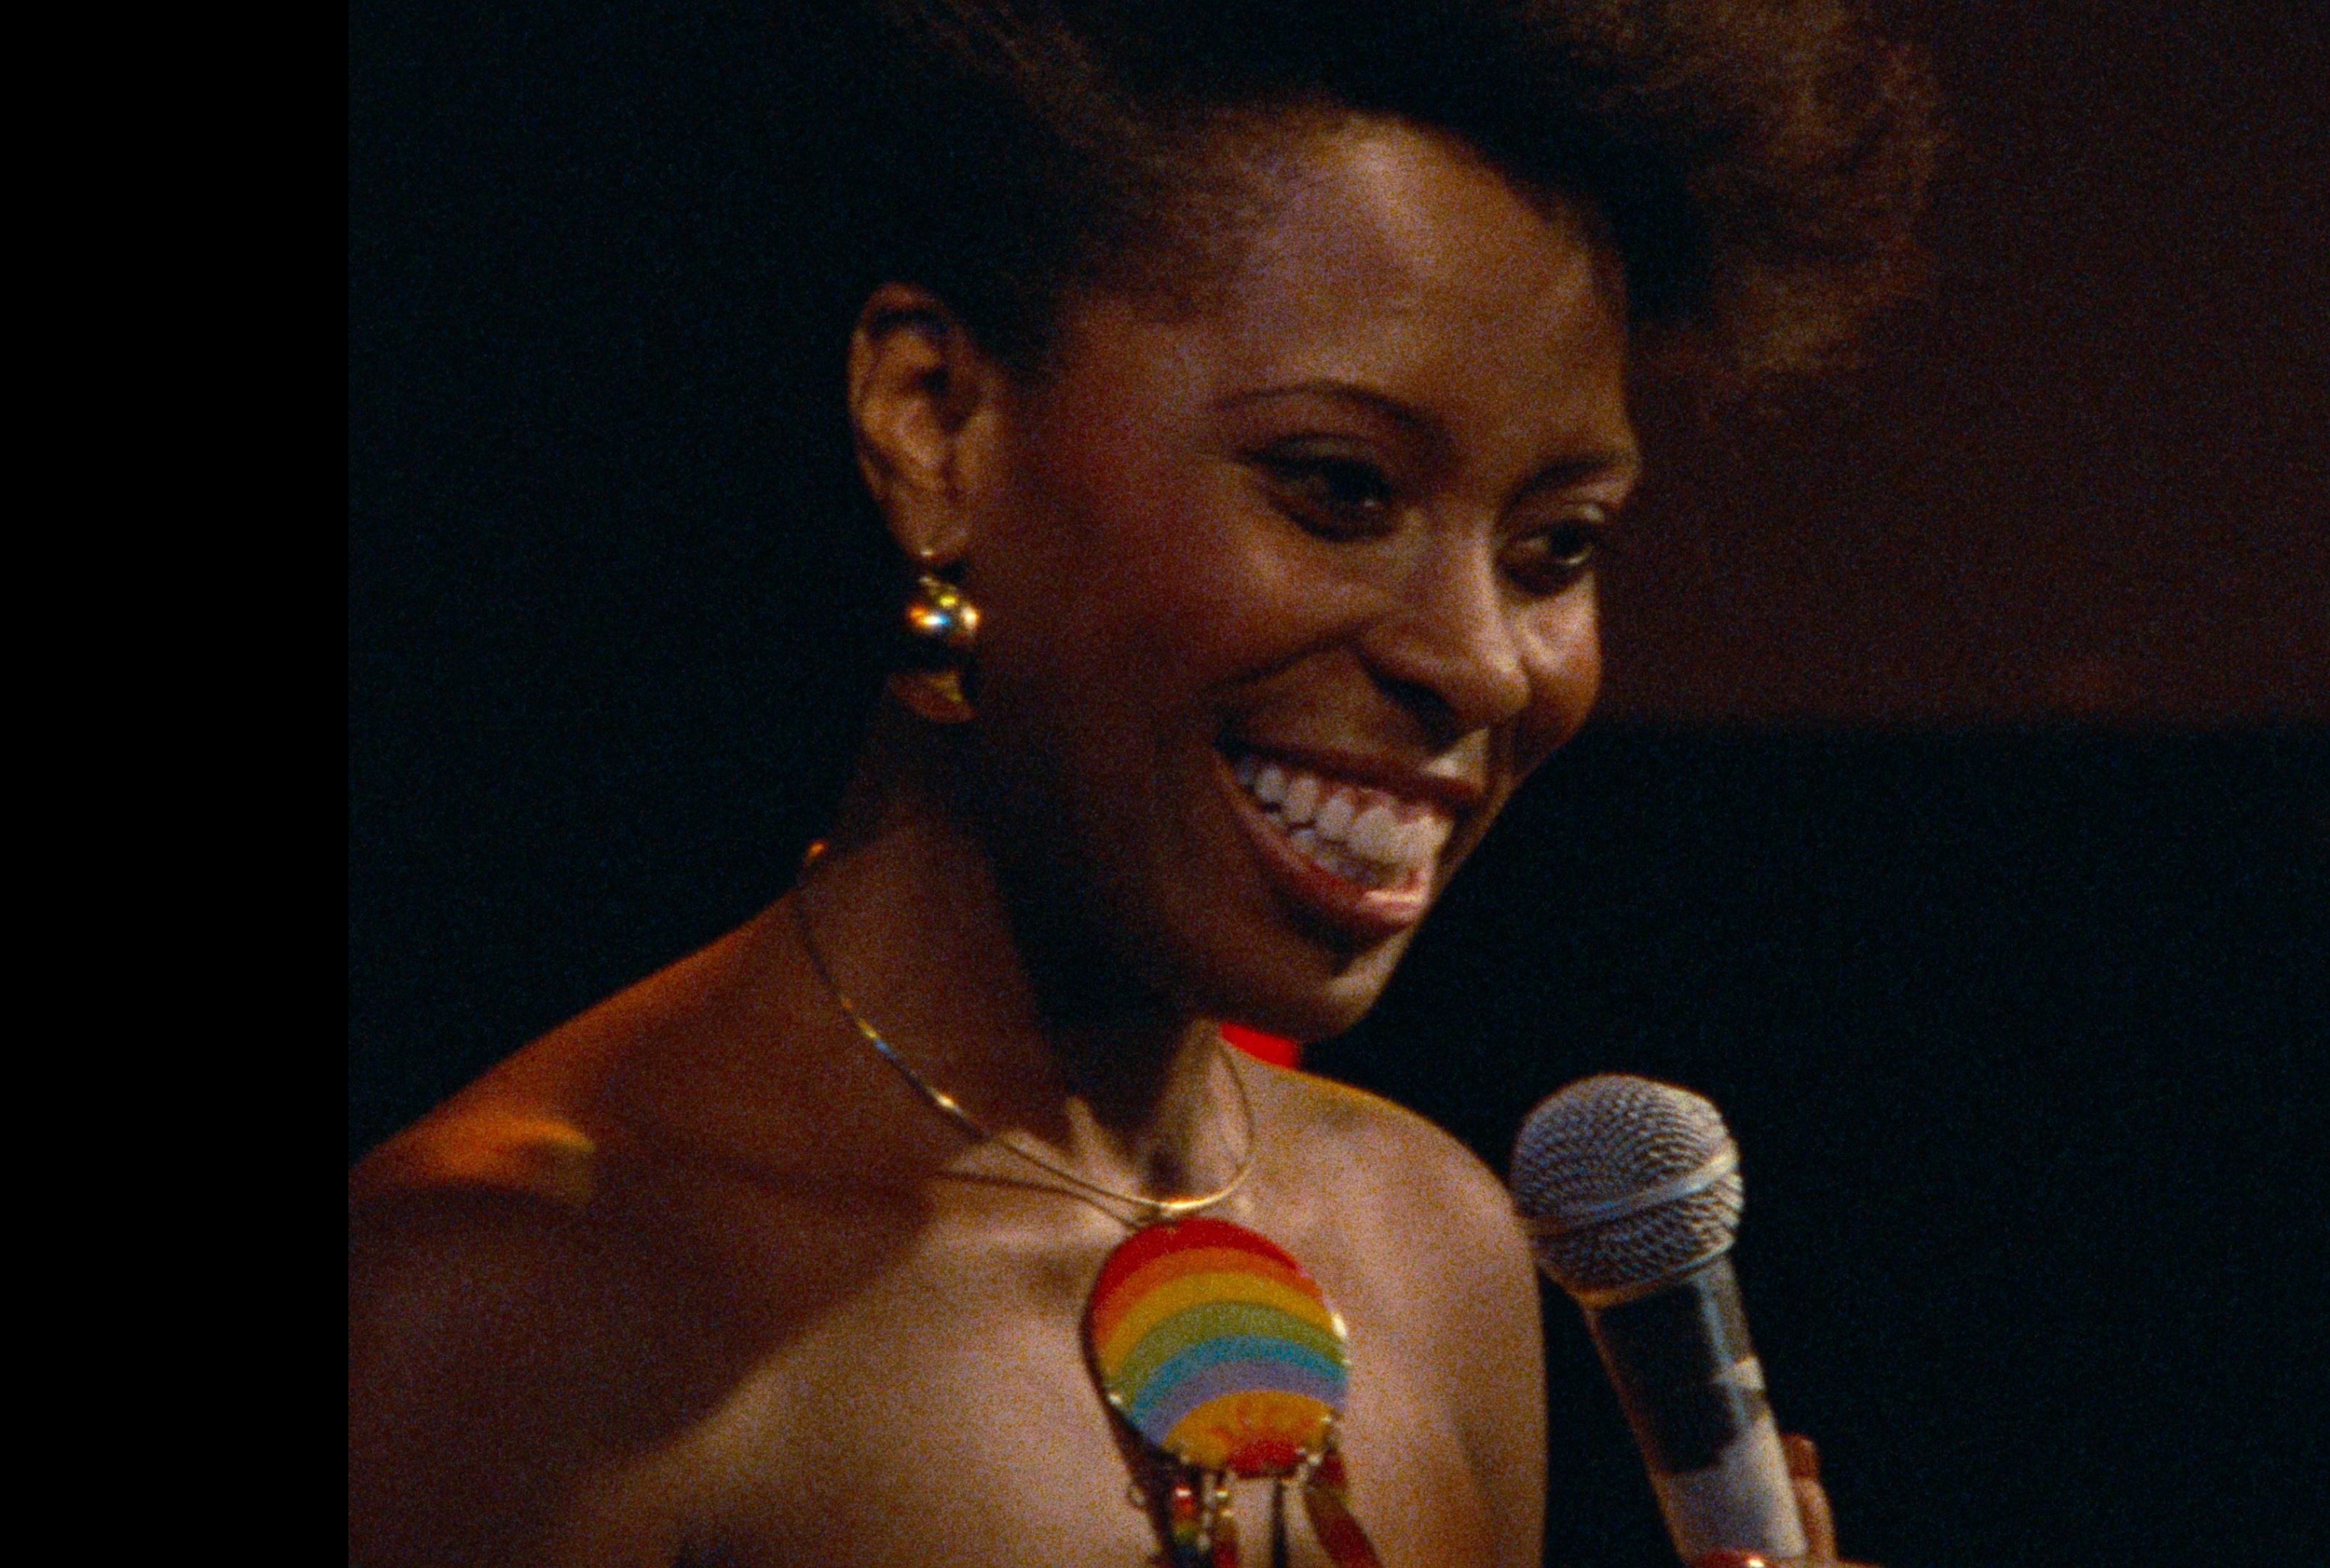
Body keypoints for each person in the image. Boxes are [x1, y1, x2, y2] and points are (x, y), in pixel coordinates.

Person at [348, 1, 1934, 1563]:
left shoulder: (1433, 1247)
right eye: (1337, 488)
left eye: (1556, 548)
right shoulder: (517, 1308)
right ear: (936, 423)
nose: (1481, 662)